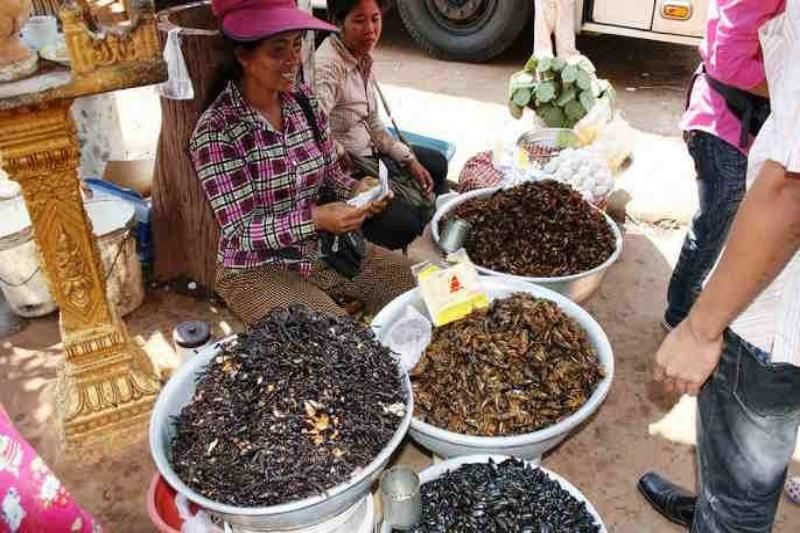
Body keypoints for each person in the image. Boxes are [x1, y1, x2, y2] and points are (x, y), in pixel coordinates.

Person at [640, 2, 800, 531]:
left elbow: (791, 193)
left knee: (741, 499)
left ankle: (723, 512)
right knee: (743, 467)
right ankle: (715, 502)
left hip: (776, 315)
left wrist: (701, 328)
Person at [190, 0, 415, 326]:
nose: (293, 60)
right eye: (278, 50)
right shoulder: (217, 131)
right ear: (244, 56)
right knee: (342, 345)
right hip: (255, 268)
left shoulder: (303, 102)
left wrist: (357, 188)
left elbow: (330, 176)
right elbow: (241, 230)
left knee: (426, 286)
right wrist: (316, 218)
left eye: (297, 45)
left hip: (322, 251)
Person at [663, 0, 783, 331]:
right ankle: (679, 314)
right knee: (712, 228)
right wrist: (788, 87)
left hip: (744, 123)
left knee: (724, 224)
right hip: (721, 128)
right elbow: (729, 63)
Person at [314, 0, 449, 251]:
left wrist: (408, 159)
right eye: (359, 20)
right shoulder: (327, 66)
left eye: (375, 19)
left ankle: (423, 216)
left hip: (373, 153)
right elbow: (314, 133)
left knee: (436, 164)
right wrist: (343, 158)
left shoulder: (361, 57)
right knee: (404, 223)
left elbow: (374, 124)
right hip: (350, 169)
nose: (370, 30)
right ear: (337, 22)